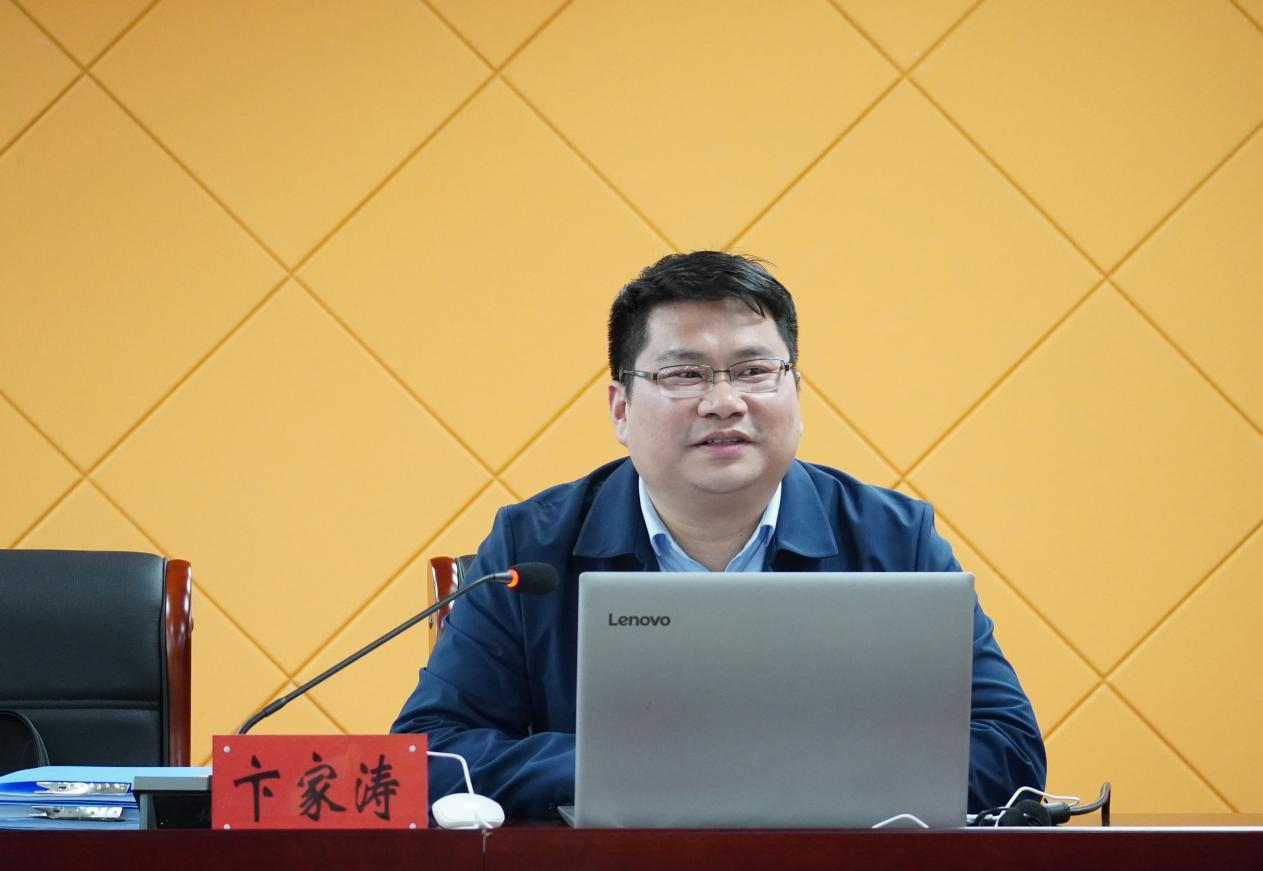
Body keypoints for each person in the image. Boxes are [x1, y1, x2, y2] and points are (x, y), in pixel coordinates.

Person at [393, 251, 1046, 817]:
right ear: (620, 409)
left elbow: (1009, 749)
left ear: (796, 393)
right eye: (684, 374)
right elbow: (429, 757)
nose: (725, 401)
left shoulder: (894, 540)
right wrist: (624, 767)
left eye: (754, 371)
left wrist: (769, 770)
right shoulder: (531, 547)